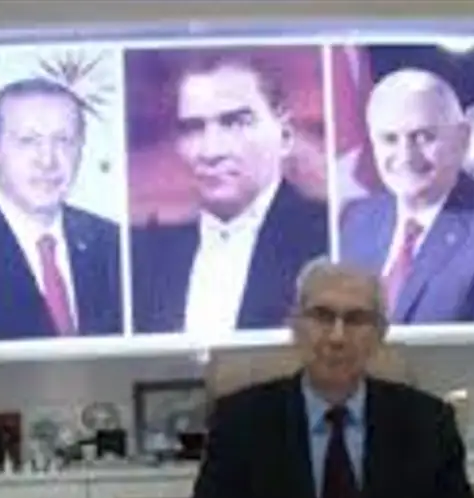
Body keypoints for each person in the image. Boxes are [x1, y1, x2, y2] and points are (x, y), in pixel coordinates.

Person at [179, 258, 474, 498]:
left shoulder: (428, 422)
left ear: (380, 334)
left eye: (356, 319)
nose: (337, 337)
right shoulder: (240, 422)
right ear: (295, 326)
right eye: (322, 316)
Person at [129, 51, 330, 337]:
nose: (212, 151)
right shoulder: (147, 257)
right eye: (193, 128)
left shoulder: (330, 237)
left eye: (236, 123)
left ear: (284, 136)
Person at [0, 77, 122, 342]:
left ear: (81, 149)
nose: (47, 160)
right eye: (28, 140)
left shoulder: (113, 243)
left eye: (63, 140)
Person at [339, 68, 474, 325]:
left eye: (423, 137)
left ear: (462, 138)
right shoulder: (359, 220)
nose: (406, 156)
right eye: (389, 139)